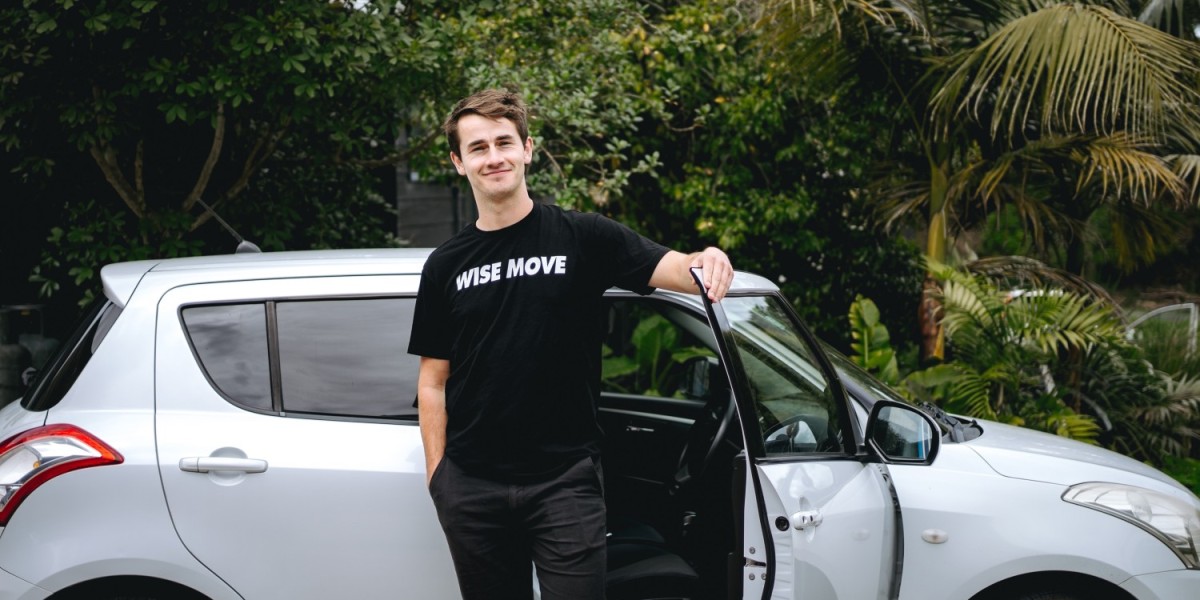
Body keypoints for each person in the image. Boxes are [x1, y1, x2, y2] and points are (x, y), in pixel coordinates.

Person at [407, 88, 733, 600]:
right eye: (478, 148)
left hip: (564, 483)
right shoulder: (445, 265)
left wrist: (707, 257)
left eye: (503, 142)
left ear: (527, 149)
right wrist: (439, 478)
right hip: (472, 488)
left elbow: (676, 268)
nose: (493, 157)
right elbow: (432, 381)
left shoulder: (583, 236)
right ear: (458, 162)